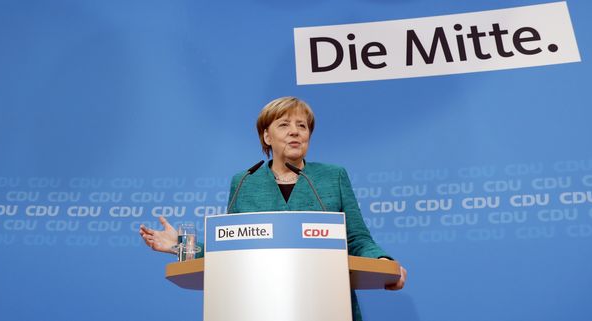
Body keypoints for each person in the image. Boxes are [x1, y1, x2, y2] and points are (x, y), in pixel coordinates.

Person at [139, 96, 407, 321]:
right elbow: (230, 251)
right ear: (266, 136)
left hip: (326, 303)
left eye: (302, 125)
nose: (295, 131)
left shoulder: (331, 177)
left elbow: (358, 238)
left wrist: (382, 262)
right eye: (284, 125)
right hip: (258, 305)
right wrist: (181, 245)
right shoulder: (244, 182)